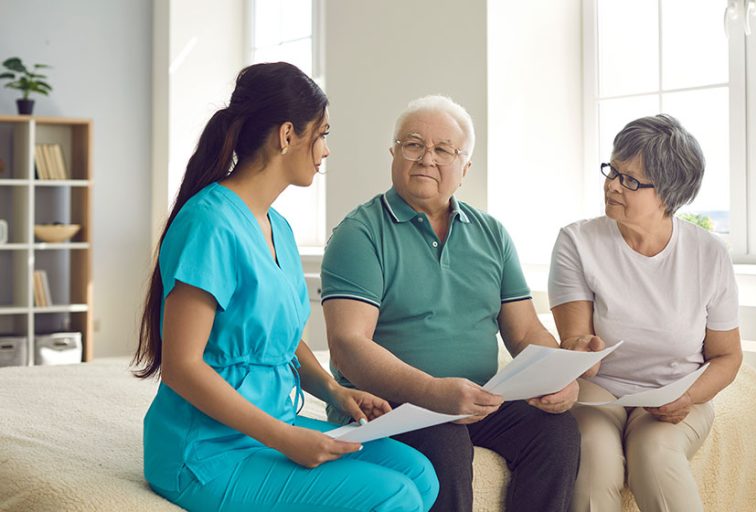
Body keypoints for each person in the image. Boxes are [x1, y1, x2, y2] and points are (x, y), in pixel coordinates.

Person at [132, 62, 438, 512]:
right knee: (395, 496)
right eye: (323, 134)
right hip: (206, 449)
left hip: (272, 423)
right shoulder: (209, 224)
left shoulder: (279, 227)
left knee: (419, 474)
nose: (327, 150)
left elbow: (283, 338)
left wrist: (336, 393)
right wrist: (285, 438)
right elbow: (182, 366)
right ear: (287, 134)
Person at [321, 94, 581, 512]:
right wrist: (432, 392)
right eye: (413, 144)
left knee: (557, 431)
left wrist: (559, 377)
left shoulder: (492, 233)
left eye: (443, 150)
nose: (426, 158)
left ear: (465, 168)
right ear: (393, 153)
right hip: (390, 405)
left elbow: (526, 331)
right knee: (444, 438)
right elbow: (348, 346)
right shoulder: (360, 234)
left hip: (476, 397)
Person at [548, 114, 742, 512]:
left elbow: (727, 356)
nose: (612, 185)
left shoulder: (709, 255)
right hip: (600, 391)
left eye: (631, 180)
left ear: (669, 195)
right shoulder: (577, 241)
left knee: (653, 456)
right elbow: (574, 342)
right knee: (596, 462)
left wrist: (688, 396)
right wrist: (580, 348)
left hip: (677, 389)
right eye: (612, 170)